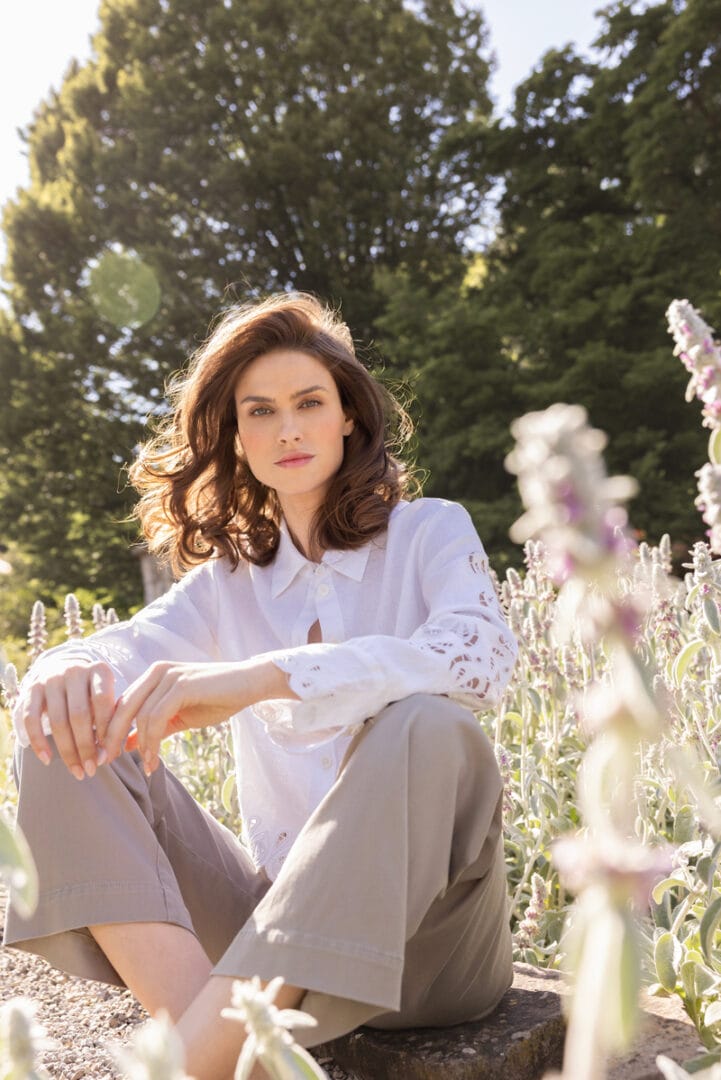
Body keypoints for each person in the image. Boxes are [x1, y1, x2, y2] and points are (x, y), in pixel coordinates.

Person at [6, 293, 518, 1080]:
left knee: (426, 724)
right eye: (260, 411)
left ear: (348, 416)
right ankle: (224, 1058)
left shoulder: (428, 532)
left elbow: (478, 654)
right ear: (236, 436)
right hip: (267, 933)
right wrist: (59, 667)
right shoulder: (229, 582)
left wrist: (261, 679)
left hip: (431, 953)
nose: (287, 430)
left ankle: (182, 1066)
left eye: (309, 403)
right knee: (63, 726)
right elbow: (127, 648)